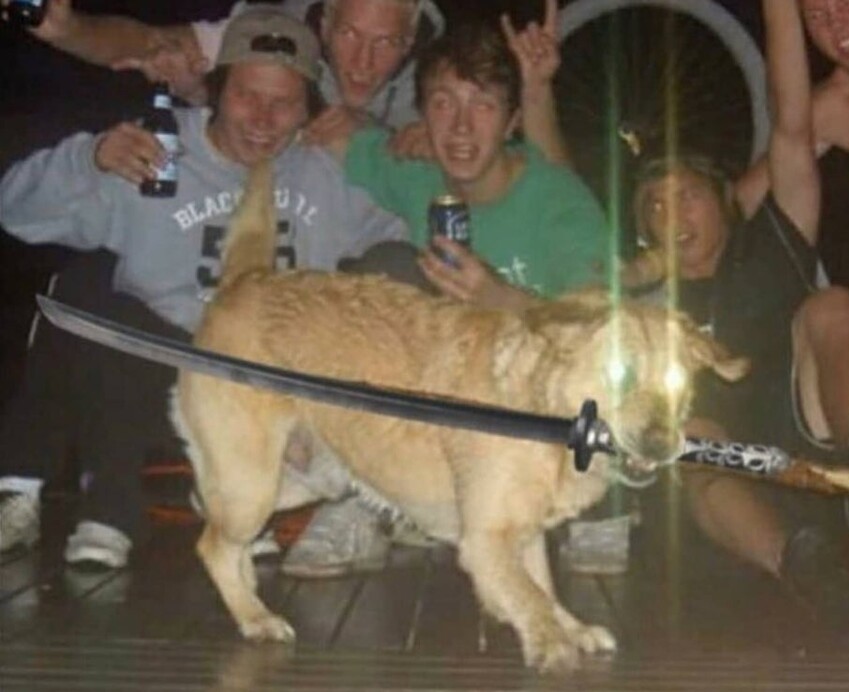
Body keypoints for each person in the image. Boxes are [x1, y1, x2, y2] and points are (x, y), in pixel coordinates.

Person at [0, 7, 408, 568]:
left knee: (390, 279)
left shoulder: (329, 168)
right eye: (246, 95)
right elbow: (16, 211)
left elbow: (426, 227)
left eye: (284, 102)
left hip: (277, 397)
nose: (263, 118)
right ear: (217, 90)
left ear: (309, 107)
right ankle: (105, 506)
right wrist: (89, 160)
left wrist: (392, 146)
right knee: (81, 291)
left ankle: (263, 497)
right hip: (160, 378)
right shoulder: (156, 148)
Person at [273, 18, 611, 577]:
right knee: (386, 270)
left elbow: (602, 325)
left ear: (513, 121)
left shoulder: (559, 203)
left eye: (482, 106)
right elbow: (296, 128)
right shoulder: (414, 175)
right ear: (422, 115)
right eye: (443, 103)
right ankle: (365, 500)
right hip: (454, 402)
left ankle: (596, 502)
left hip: (541, 407)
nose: (460, 126)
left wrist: (500, 296)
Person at [626, 0, 849, 619]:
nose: (674, 215)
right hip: (742, 489)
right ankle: (803, 566)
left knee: (833, 305)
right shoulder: (644, 309)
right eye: (656, 207)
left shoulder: (772, 245)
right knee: (694, 442)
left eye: (688, 196)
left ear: (725, 201)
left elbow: (791, 128)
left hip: (823, 451)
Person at [731, 0, 849, 574]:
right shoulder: (837, 107)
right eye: (817, 18)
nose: (836, 28)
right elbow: (739, 200)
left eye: (846, 5)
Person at [0, 0, 571, 165]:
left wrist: (536, 90)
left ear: (411, 39)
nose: (362, 61)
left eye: (385, 43)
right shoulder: (275, 36)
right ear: (322, 23)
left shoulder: (443, 81)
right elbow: (153, 43)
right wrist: (68, 29)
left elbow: (536, 185)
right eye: (348, 35)